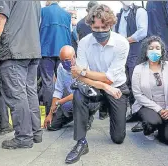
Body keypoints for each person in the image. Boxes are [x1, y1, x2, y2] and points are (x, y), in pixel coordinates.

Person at [65, 4, 130, 164]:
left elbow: (108, 78)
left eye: (104, 27)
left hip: (117, 88)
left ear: (111, 25)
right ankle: (81, 142)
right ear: (90, 26)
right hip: (96, 86)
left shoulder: (122, 43)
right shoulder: (84, 43)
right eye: (96, 27)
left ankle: (105, 107)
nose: (100, 31)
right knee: (79, 93)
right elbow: (80, 79)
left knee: (118, 138)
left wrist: (83, 72)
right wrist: (103, 86)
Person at [0, 1, 43, 149]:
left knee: (17, 95)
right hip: (32, 48)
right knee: (30, 92)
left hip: (14, 50)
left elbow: (0, 19)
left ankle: (23, 137)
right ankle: (35, 132)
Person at [132, 36, 168, 145]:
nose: (154, 51)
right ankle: (149, 127)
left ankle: (161, 129)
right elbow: (137, 94)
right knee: (153, 121)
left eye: (157, 48)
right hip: (148, 106)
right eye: (151, 48)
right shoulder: (138, 69)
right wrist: (159, 109)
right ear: (146, 51)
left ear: (162, 50)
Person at [44, 46, 97, 131]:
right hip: (70, 103)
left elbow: (79, 93)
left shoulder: (83, 66)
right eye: (62, 60)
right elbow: (58, 91)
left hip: (87, 100)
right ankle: (75, 116)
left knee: (81, 99)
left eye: (67, 60)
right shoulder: (61, 68)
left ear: (74, 57)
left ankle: (87, 117)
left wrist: (59, 102)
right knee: (52, 126)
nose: (64, 63)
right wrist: (50, 114)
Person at [114, 1, 148, 128]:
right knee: (127, 83)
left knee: (139, 83)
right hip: (124, 53)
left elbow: (142, 32)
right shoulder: (120, 14)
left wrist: (124, 41)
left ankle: (144, 117)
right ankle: (134, 112)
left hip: (136, 50)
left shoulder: (139, 11)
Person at [39, 1, 72, 116]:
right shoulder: (67, 14)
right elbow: (70, 33)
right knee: (65, 81)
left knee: (47, 82)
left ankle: (50, 112)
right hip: (64, 53)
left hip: (46, 51)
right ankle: (66, 111)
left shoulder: (42, 11)